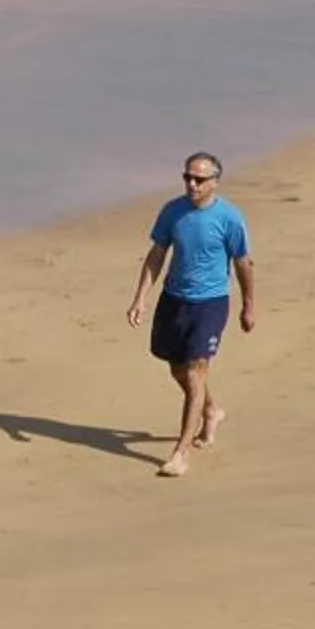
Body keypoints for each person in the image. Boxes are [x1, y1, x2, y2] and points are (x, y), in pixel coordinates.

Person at [126, 151, 258, 479]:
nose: (192, 184)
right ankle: (211, 410)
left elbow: (243, 264)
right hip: (174, 299)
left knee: (196, 372)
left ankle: (180, 453)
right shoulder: (173, 212)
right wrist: (140, 298)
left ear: (215, 182)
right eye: (187, 177)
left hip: (210, 303)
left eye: (200, 179)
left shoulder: (229, 218)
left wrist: (248, 305)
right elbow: (157, 254)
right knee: (178, 370)